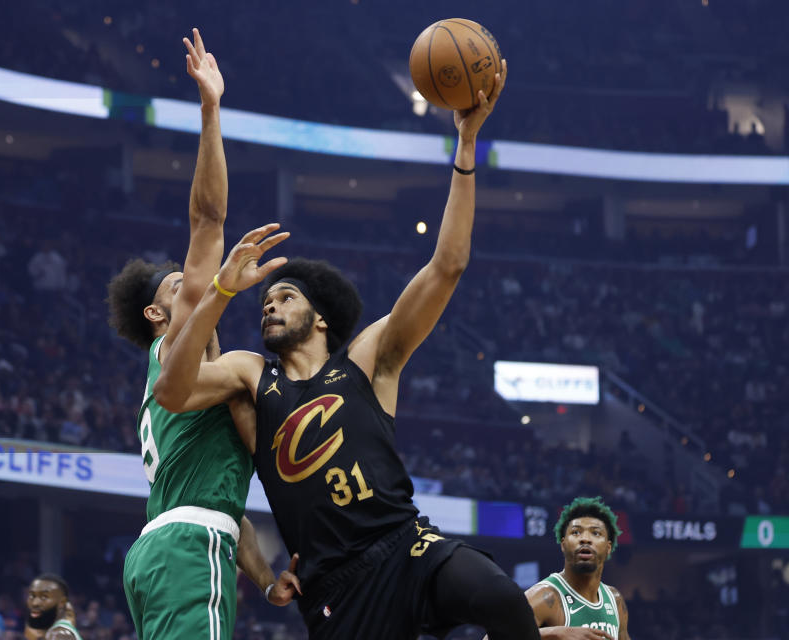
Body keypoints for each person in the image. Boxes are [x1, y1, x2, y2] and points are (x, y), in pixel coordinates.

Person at [153, 63, 539, 640]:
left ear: (321, 317)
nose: (269, 306)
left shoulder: (367, 360)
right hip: (336, 588)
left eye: (284, 297)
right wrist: (222, 290)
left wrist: (465, 145)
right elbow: (173, 391)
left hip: (408, 545)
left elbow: (447, 265)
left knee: (499, 596)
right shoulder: (250, 376)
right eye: (264, 301)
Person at [105, 29, 299, 640]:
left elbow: (224, 503)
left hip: (166, 549)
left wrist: (266, 580)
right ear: (157, 317)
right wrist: (211, 110)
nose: (192, 286)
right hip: (186, 549)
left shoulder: (196, 387)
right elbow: (208, 220)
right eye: (176, 290)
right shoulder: (177, 341)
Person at [524, 497, 630, 640]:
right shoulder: (545, 596)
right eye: (576, 532)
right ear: (563, 544)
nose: (585, 539)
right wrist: (555, 633)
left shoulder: (615, 600)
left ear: (608, 548)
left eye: (596, 533)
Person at [24, 574, 79, 640]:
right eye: (32, 596)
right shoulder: (53, 631)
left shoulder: (59, 634)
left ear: (62, 602)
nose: (35, 603)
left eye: (44, 597)